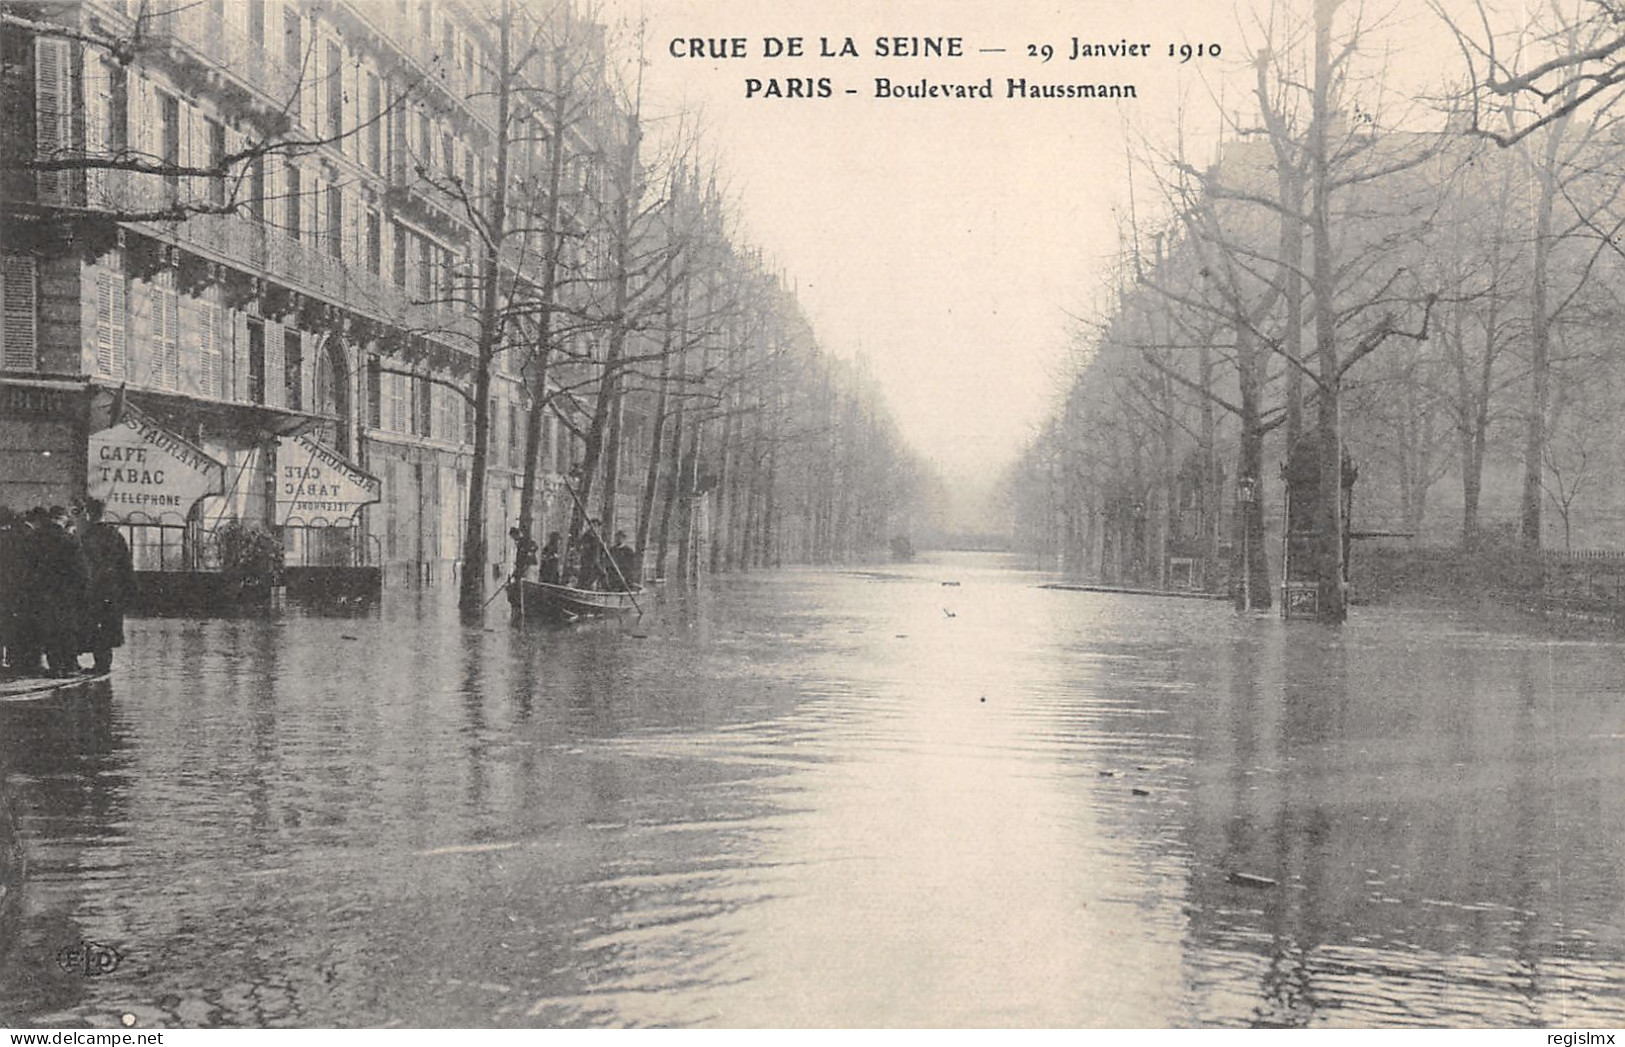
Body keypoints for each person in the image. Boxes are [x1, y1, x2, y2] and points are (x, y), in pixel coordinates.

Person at [77, 498, 134, 674]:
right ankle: (104, 665)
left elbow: (81, 565)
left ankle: (99, 664)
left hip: (93, 589)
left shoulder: (87, 536)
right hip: (113, 589)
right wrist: (127, 591)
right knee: (109, 626)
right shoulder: (116, 535)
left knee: (94, 626)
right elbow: (126, 565)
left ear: (88, 513)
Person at [36, 505, 89, 677]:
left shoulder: (34, 538)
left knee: (49, 629)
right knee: (66, 629)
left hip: (42, 593)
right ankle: (69, 667)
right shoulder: (70, 540)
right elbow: (82, 572)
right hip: (66, 595)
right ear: (63, 518)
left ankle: (54, 667)